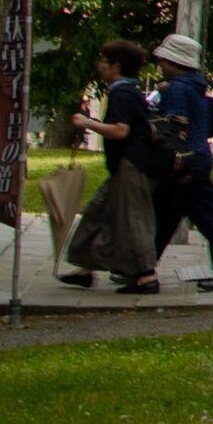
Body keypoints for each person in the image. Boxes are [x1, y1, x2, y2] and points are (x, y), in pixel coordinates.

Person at [58, 39, 165, 293]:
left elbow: (121, 130)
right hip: (124, 166)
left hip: (132, 166)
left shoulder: (121, 92)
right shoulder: (128, 90)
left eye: (103, 61)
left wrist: (88, 123)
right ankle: (86, 268)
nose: (99, 66)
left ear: (115, 66)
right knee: (98, 211)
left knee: (133, 219)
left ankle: (147, 277)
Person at [147, 33, 213, 292]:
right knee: (166, 215)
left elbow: (175, 129)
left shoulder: (177, 90)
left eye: (163, 60)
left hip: (185, 163)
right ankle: (142, 269)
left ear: (173, 61)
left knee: (210, 219)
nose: (160, 65)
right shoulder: (196, 87)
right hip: (198, 158)